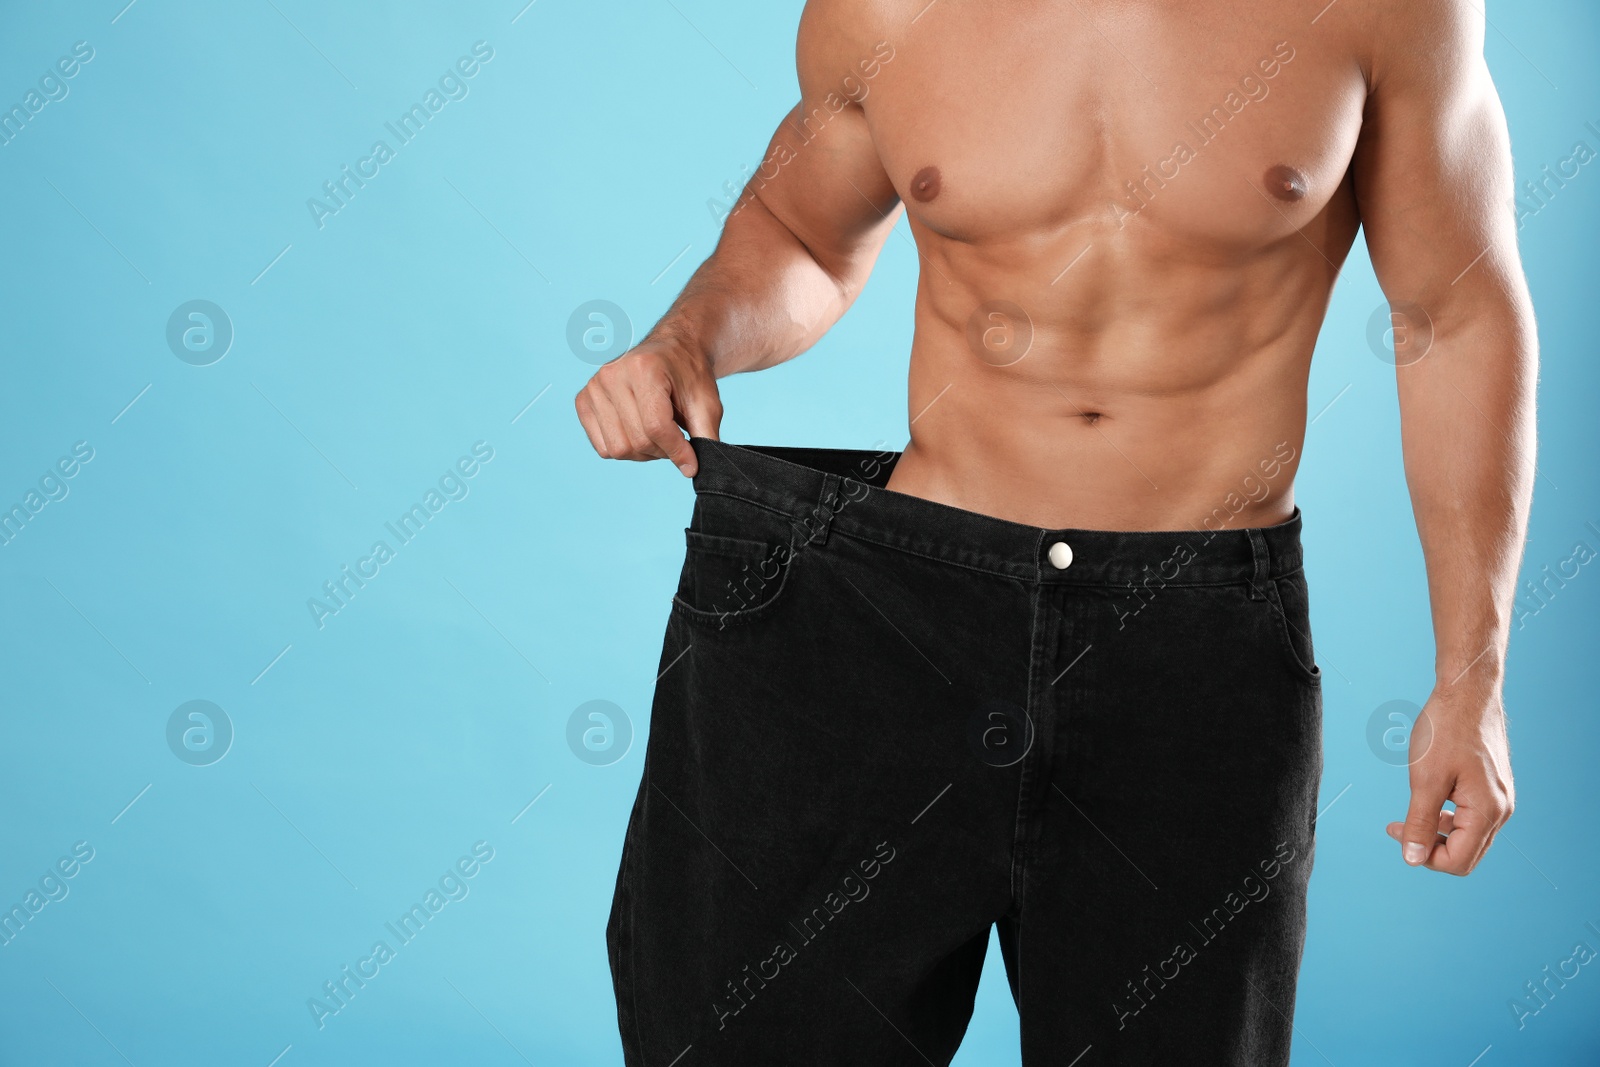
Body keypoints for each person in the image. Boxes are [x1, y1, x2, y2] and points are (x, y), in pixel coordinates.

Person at [579, 0, 1533, 1062]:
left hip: (1190, 641)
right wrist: (685, 338)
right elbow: (802, 233)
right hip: (892, 616)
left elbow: (1453, 315)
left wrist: (1471, 674)